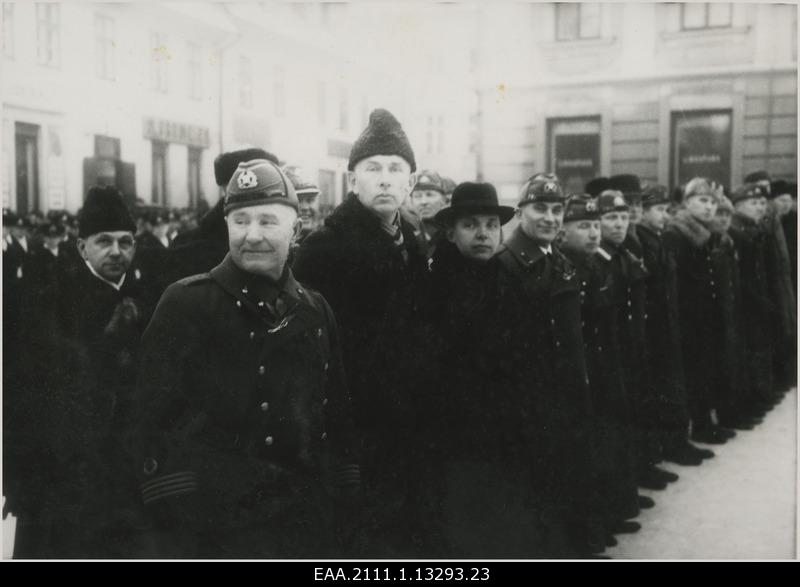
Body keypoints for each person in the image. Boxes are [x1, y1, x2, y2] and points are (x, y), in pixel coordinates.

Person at [130, 159, 360, 558]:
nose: (252, 235)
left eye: (268, 221)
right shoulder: (187, 303)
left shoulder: (316, 311)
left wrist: (344, 501)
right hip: (217, 530)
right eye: (240, 221)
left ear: (296, 229)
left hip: (305, 527)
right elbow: (150, 423)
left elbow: (337, 416)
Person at [293, 109, 428, 556]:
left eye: (396, 169)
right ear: (353, 180)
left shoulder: (411, 239)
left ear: (411, 180)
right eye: (373, 169)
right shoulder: (322, 250)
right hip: (356, 420)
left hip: (408, 411)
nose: (385, 180)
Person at [418, 182, 553, 557]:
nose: (483, 234)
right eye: (470, 225)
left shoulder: (505, 279)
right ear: (450, 231)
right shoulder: (435, 286)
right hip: (458, 436)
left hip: (506, 429)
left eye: (491, 225)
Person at [495, 173, 604, 557]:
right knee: (539, 485)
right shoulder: (506, 263)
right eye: (540, 208)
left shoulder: (555, 258)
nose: (550, 217)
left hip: (567, 392)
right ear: (521, 211)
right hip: (533, 400)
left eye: (557, 210)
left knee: (568, 474)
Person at [558, 194, 642, 547]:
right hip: (579, 373)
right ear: (564, 232)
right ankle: (586, 532)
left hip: (602, 370)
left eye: (596, 225)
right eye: (584, 226)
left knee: (604, 445)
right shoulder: (566, 267)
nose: (594, 233)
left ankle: (604, 517)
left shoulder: (596, 265)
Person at [638, 184, 712, 467]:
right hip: (657, 329)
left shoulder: (657, 239)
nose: (665, 216)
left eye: (666, 210)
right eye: (658, 210)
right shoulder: (647, 241)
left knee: (673, 387)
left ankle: (677, 442)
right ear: (643, 213)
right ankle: (670, 445)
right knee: (665, 389)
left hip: (669, 324)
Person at [663, 178, 736, 446]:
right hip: (686, 315)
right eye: (702, 201)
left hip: (703, 314)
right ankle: (698, 426)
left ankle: (705, 423)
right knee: (692, 371)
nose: (708, 207)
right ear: (687, 203)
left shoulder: (705, 234)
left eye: (712, 202)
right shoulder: (677, 234)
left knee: (704, 368)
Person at [409, 169, 448, 256]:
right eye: (417, 196)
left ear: (443, 200)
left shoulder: (452, 233)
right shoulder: (406, 233)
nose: (423, 202)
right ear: (411, 202)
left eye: (429, 194)